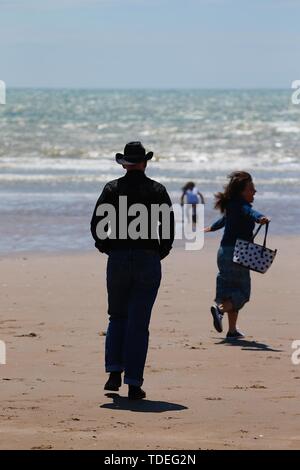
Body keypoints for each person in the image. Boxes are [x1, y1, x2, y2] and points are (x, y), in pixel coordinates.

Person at [90, 142, 174, 400]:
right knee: (139, 323)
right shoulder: (157, 189)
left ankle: (114, 372)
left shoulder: (112, 188)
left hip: (118, 257)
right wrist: (160, 251)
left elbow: (96, 225)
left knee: (117, 317)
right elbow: (169, 226)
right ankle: (134, 383)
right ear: (145, 162)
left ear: (124, 164)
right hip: (147, 257)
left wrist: (107, 247)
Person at [204, 171, 270, 339]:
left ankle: (232, 330)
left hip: (223, 252)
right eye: (251, 189)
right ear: (242, 191)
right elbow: (251, 212)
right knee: (242, 292)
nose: (254, 192)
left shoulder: (232, 206)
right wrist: (260, 217)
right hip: (239, 253)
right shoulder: (241, 205)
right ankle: (219, 311)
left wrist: (210, 228)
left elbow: (223, 221)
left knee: (229, 291)